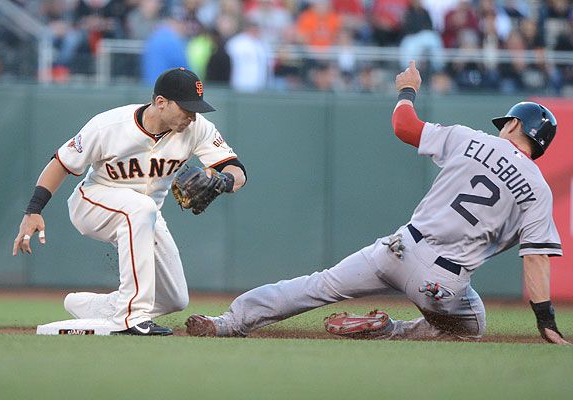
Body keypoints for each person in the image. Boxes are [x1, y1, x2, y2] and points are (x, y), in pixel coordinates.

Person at [185, 61, 569, 345]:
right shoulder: (537, 189)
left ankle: (227, 322)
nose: (501, 126)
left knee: (316, 285)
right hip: (441, 282)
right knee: (471, 328)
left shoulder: (469, 139)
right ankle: (390, 330)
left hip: (398, 247)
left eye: (506, 122)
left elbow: (403, 126)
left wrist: (407, 90)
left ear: (515, 126)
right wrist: (545, 321)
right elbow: (535, 257)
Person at [13, 68, 247, 336]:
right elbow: (61, 163)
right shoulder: (109, 125)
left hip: (144, 215)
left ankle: (92, 305)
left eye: (196, 109)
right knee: (140, 208)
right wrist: (33, 210)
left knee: (174, 298)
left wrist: (224, 182)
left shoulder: (197, 129)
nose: (192, 116)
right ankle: (131, 317)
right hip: (92, 201)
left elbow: (236, 169)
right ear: (161, 102)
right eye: (186, 109)